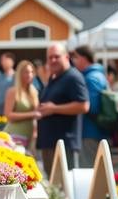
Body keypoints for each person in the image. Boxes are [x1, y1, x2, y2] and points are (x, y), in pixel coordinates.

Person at [37, 42, 89, 172]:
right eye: (50, 57)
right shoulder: (55, 77)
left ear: (66, 57)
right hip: (50, 143)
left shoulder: (73, 77)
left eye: (56, 56)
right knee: (54, 189)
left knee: (66, 187)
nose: (53, 60)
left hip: (65, 144)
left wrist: (54, 108)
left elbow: (84, 106)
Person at [72, 46, 110, 169]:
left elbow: (91, 107)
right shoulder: (97, 75)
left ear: (83, 58)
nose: (73, 61)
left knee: (89, 170)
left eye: (75, 57)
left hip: (90, 132)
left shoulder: (91, 77)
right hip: (94, 131)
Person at [4, 60, 40, 149]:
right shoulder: (13, 91)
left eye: (32, 72)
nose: (30, 75)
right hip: (15, 135)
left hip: (30, 135)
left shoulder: (33, 92)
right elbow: (8, 115)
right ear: (20, 74)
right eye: (26, 72)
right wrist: (32, 114)